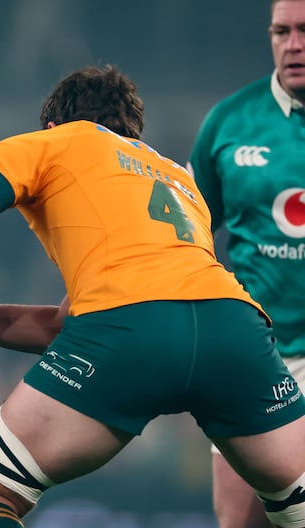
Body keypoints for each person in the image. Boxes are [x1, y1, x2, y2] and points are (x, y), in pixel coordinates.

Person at [0, 65, 305, 528]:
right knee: (295, 507)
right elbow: (59, 329)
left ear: (52, 124)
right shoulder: (178, 181)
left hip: (128, 328)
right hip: (234, 329)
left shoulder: (58, 142)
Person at [187, 2, 305, 526]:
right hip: (257, 354)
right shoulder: (229, 121)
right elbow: (185, 234)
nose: (293, 44)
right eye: (282, 31)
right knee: (238, 522)